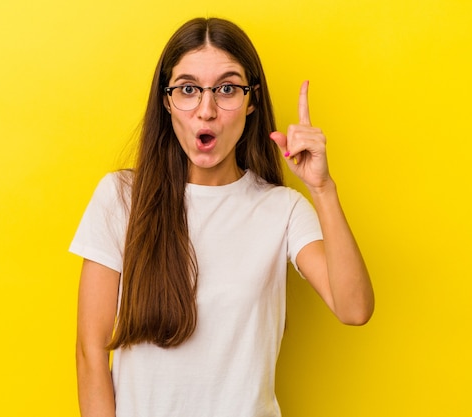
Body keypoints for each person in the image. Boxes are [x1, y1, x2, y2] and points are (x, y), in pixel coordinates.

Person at [70, 17, 374, 417]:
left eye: (227, 89)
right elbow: (91, 350)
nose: (206, 110)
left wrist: (322, 188)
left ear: (252, 101)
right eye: (189, 89)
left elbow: (354, 309)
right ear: (166, 100)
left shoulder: (282, 209)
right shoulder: (122, 197)